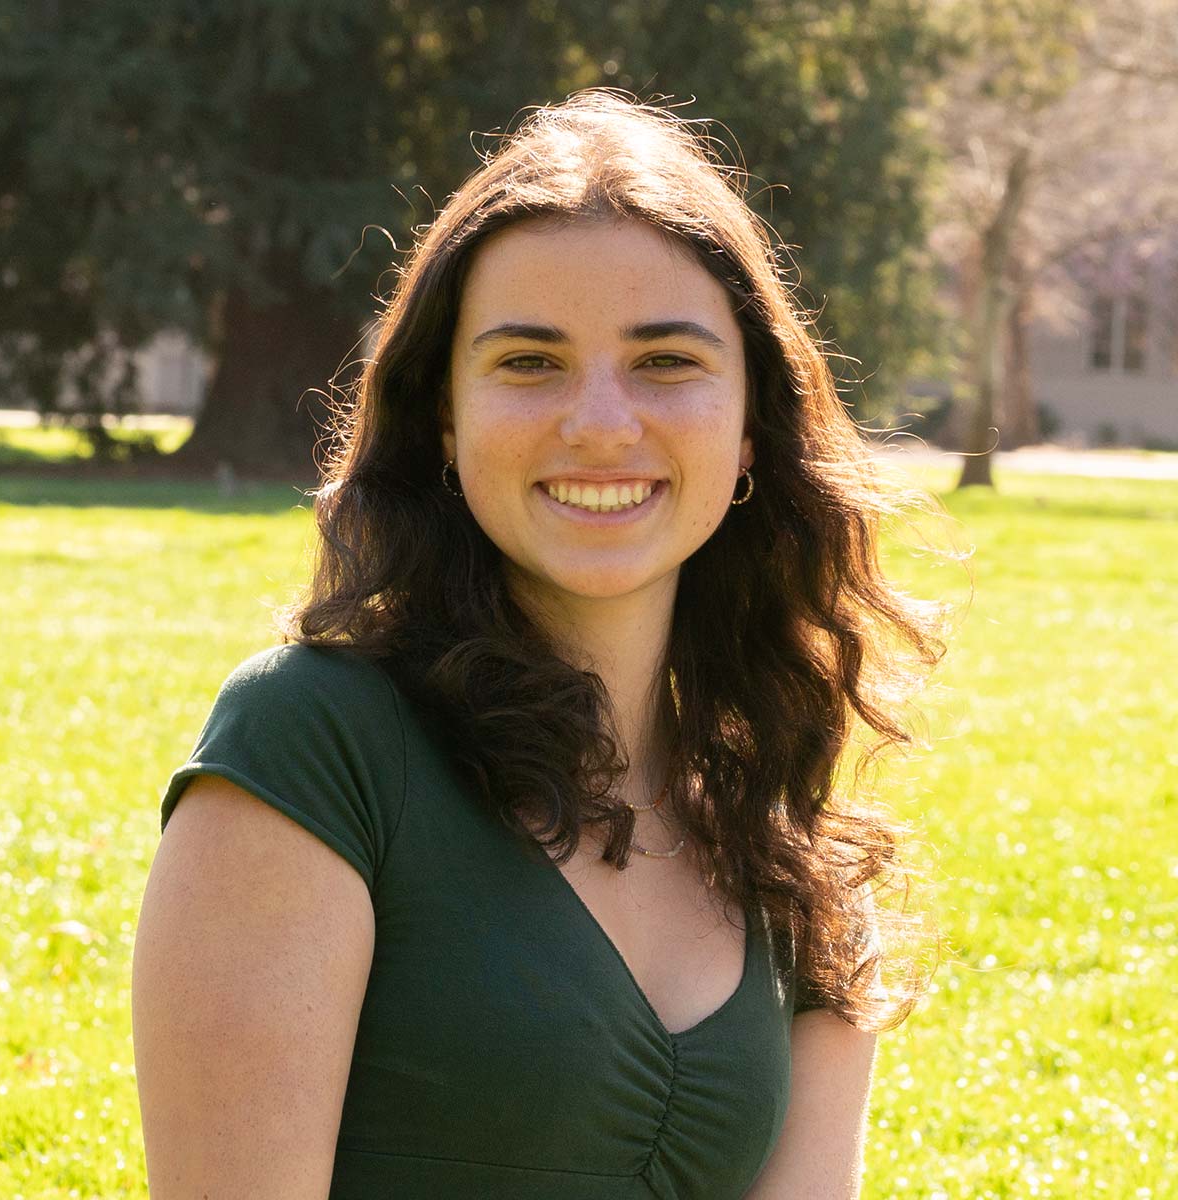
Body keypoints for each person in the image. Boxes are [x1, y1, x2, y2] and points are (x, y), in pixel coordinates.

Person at [132, 90, 945, 1199]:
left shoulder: (787, 839)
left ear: (752, 424)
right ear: (446, 423)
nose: (602, 424)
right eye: (529, 362)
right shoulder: (313, 745)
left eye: (666, 362)